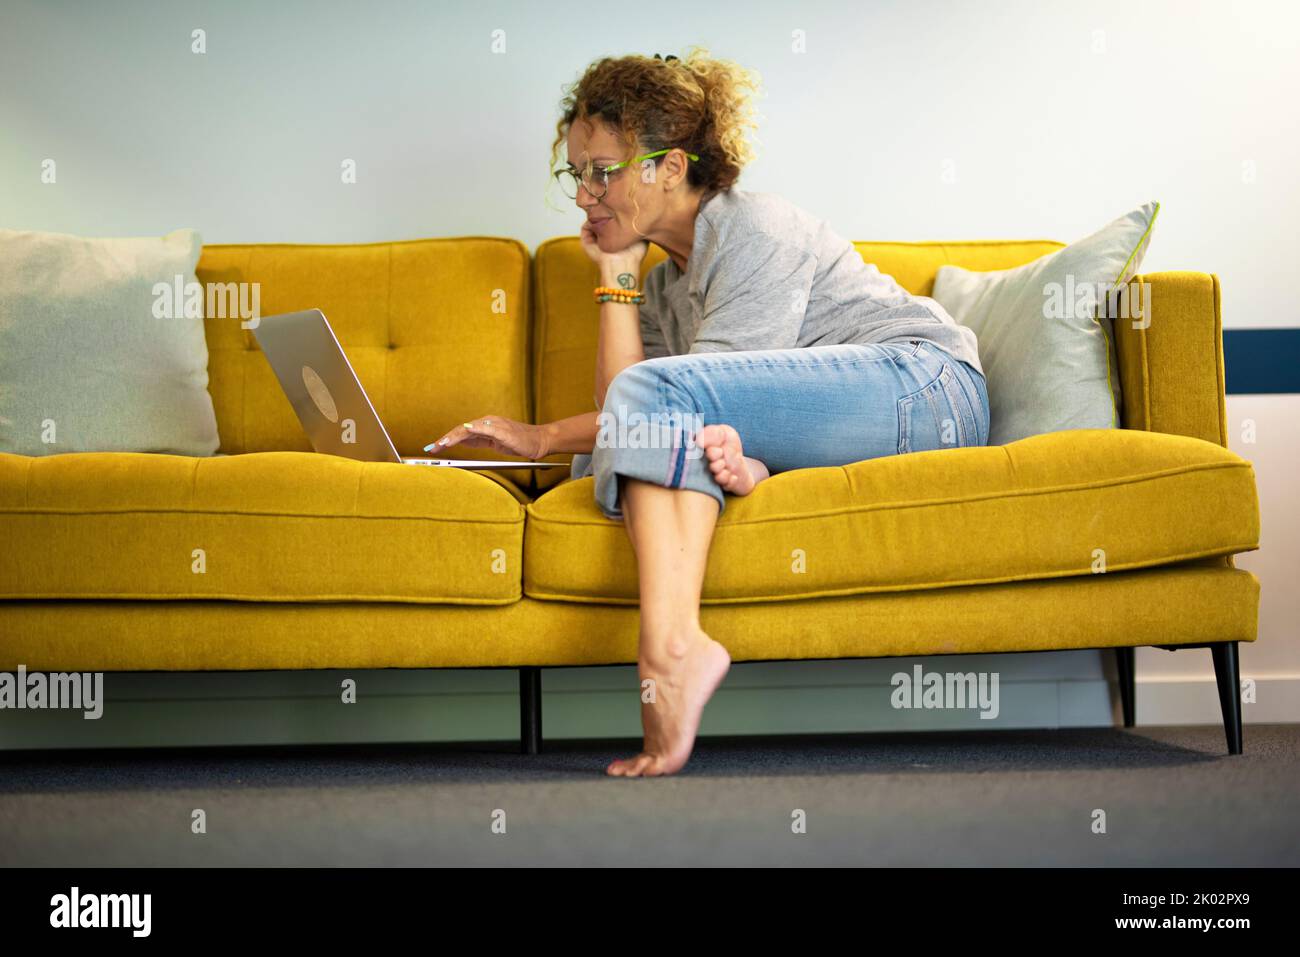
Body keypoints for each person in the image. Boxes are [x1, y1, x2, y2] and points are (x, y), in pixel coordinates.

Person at [430, 47, 990, 778]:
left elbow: (673, 393)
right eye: (576, 173)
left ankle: (669, 650)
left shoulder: (754, 228)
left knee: (660, 409)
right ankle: (746, 477)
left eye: (601, 170)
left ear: (669, 166)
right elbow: (636, 410)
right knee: (652, 428)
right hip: (843, 413)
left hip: (923, 384)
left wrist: (542, 433)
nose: (582, 195)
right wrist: (619, 280)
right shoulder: (667, 285)